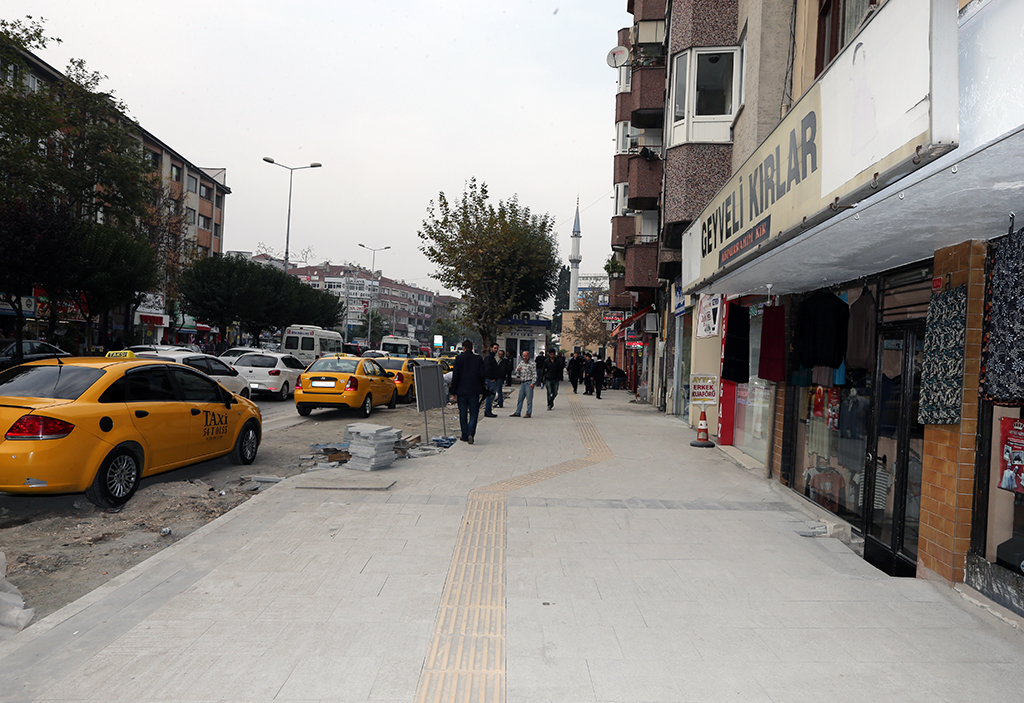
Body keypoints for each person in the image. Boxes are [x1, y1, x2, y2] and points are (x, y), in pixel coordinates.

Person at [449, 339, 485, 444]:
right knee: (474, 413)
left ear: (463, 348)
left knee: (463, 413)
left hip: (461, 391)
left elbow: (455, 375)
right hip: (474, 391)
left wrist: (453, 390)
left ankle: (464, 435)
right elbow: (482, 375)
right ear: (472, 348)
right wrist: (481, 387)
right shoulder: (478, 359)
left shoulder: (459, 359)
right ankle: (471, 433)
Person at [510, 350, 537, 418]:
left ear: (529, 356)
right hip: (522, 383)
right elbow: (516, 372)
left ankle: (528, 412)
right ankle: (518, 412)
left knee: (529, 399)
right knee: (520, 399)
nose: (525, 357)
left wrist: (533, 383)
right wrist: (518, 370)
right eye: (524, 356)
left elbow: (534, 374)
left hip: (529, 383)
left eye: (526, 356)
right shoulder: (521, 363)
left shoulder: (532, 364)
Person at [482, 343, 501, 418]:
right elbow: (487, 369)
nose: (496, 350)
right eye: (495, 348)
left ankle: (488, 411)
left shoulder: (491, 357)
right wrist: (491, 378)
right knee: (490, 396)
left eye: (497, 348)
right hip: (490, 380)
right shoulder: (489, 357)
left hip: (492, 379)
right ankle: (487, 411)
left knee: (491, 396)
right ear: (491, 348)